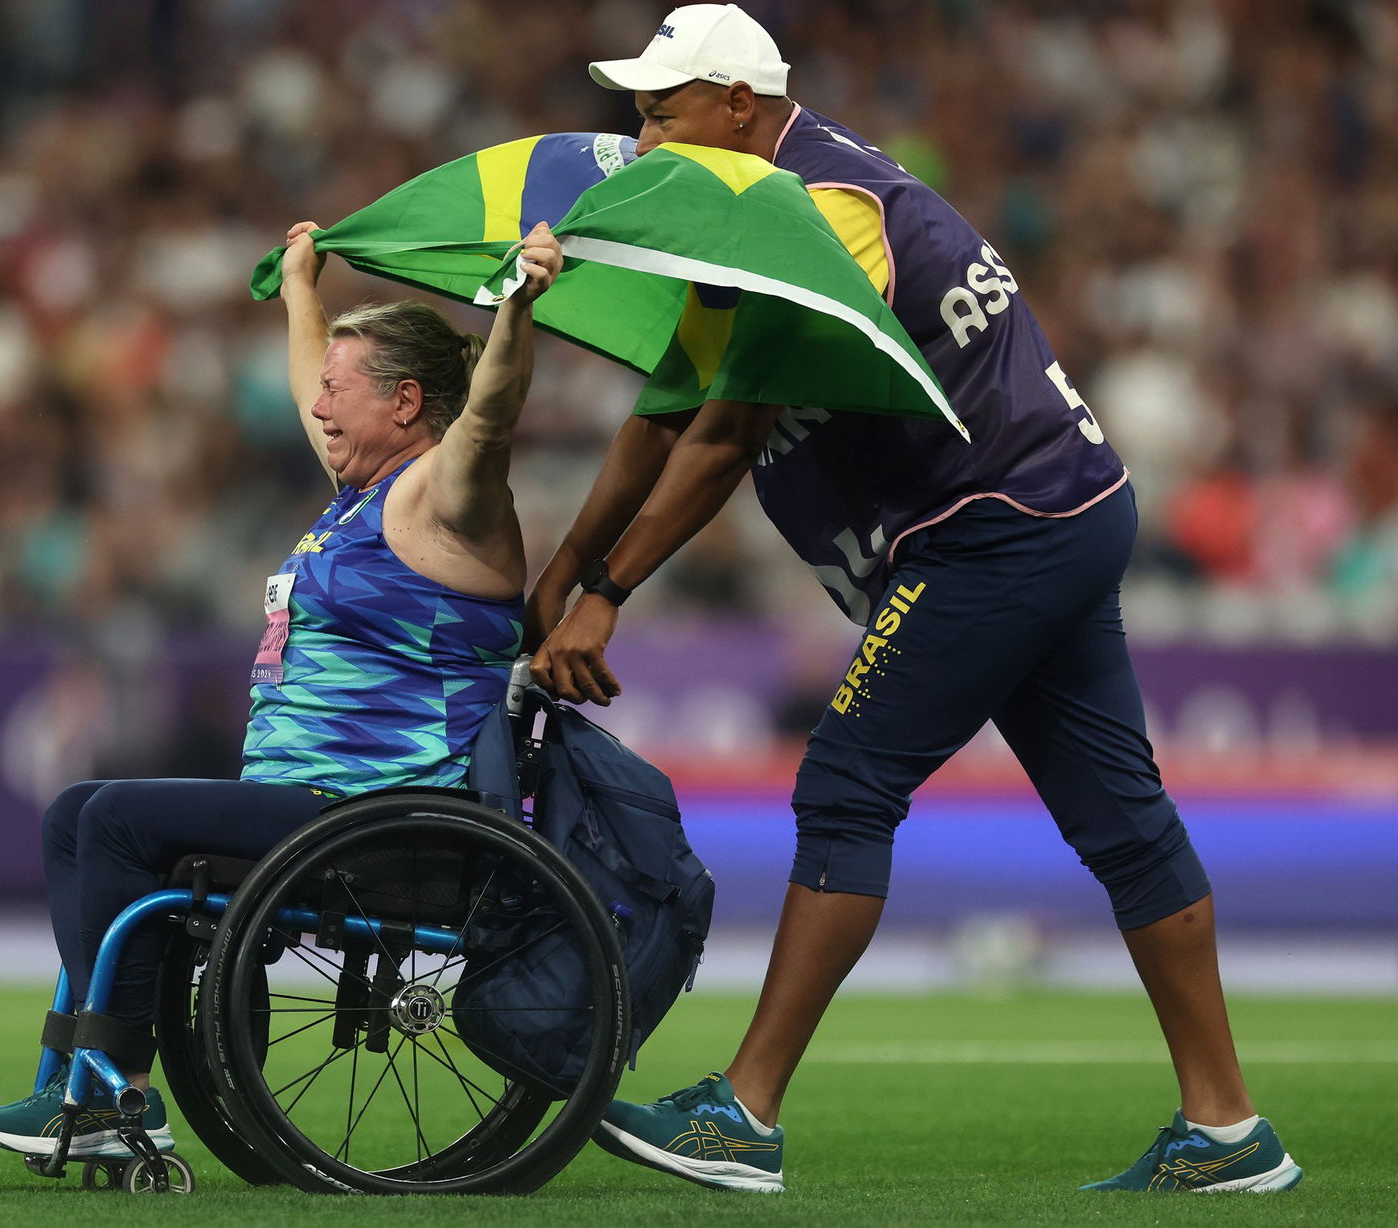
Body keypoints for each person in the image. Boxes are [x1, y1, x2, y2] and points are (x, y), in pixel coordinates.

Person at [529, 4, 1299, 1196]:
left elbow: (728, 427)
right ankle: (1229, 1128)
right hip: (1062, 510)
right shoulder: (767, 203)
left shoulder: (824, 210)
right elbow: (668, 406)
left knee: (846, 782)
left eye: (661, 108)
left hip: (994, 530)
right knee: (1125, 825)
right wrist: (564, 570)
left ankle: (742, 1112)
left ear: (738, 105)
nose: (641, 133)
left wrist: (608, 591)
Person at [0, 220, 564, 1161]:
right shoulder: (359, 494)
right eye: (321, 387)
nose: (316, 405)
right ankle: (91, 1083)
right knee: (75, 812)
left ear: (406, 403)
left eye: (341, 390)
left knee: (116, 819)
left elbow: (489, 418)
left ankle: (116, 1092)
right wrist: (301, 288)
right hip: (310, 806)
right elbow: (307, 383)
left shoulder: (447, 497)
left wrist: (516, 313)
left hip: (379, 813)